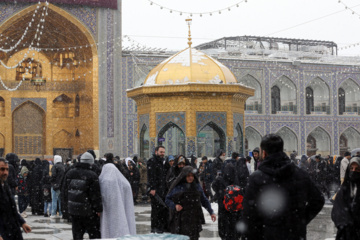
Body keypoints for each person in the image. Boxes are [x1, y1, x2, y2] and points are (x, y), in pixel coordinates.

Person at [242, 134, 325, 239]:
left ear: (263, 153)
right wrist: (300, 220)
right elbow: (318, 200)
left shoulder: (256, 178)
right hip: (294, 235)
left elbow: (249, 215)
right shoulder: (300, 174)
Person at [165, 166, 216, 240]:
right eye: (188, 176)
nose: (190, 178)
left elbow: (204, 200)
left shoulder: (197, 186)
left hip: (194, 219)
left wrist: (211, 212)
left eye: (192, 176)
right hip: (180, 219)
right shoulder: (178, 187)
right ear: (184, 176)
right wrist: (174, 206)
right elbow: (167, 199)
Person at [63, 152, 103, 240]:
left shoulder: (70, 173)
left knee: (77, 234)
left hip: (74, 210)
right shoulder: (92, 175)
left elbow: (65, 192)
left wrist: (67, 207)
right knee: (94, 234)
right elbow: (95, 195)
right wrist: (98, 209)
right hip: (88, 211)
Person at [212, 152, 249, 240]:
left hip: (224, 211)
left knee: (225, 232)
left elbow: (214, 187)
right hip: (235, 213)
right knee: (234, 233)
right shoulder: (237, 181)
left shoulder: (220, 180)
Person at [99, 163, 136, 238]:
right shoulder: (123, 181)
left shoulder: (102, 180)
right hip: (120, 209)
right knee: (119, 224)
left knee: (107, 225)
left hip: (106, 208)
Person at [0, 158, 32, 240]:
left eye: (7, 169)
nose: (5, 172)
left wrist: (22, 222)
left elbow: (12, 209)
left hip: (12, 230)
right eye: (2, 169)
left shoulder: (5, 185)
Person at [332, 157, 360, 239]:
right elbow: (337, 210)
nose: (353, 171)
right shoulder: (344, 190)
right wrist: (345, 223)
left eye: (357, 169)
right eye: (351, 168)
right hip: (345, 234)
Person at [147, 146, 170, 233]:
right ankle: (155, 229)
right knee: (156, 211)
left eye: (163, 152)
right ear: (156, 152)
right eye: (161, 152)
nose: (162, 154)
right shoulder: (152, 162)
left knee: (163, 210)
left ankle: (162, 228)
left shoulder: (163, 162)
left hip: (163, 190)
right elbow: (151, 176)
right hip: (156, 191)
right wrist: (152, 188)